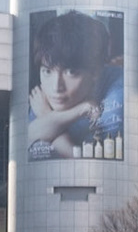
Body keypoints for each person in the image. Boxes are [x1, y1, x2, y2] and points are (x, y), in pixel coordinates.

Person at [26, 10, 123, 160]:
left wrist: (46, 117)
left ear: (96, 71)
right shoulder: (42, 97)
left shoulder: (118, 89)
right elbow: (29, 134)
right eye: (47, 71)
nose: (56, 87)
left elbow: (92, 165)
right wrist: (79, 110)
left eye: (70, 72)